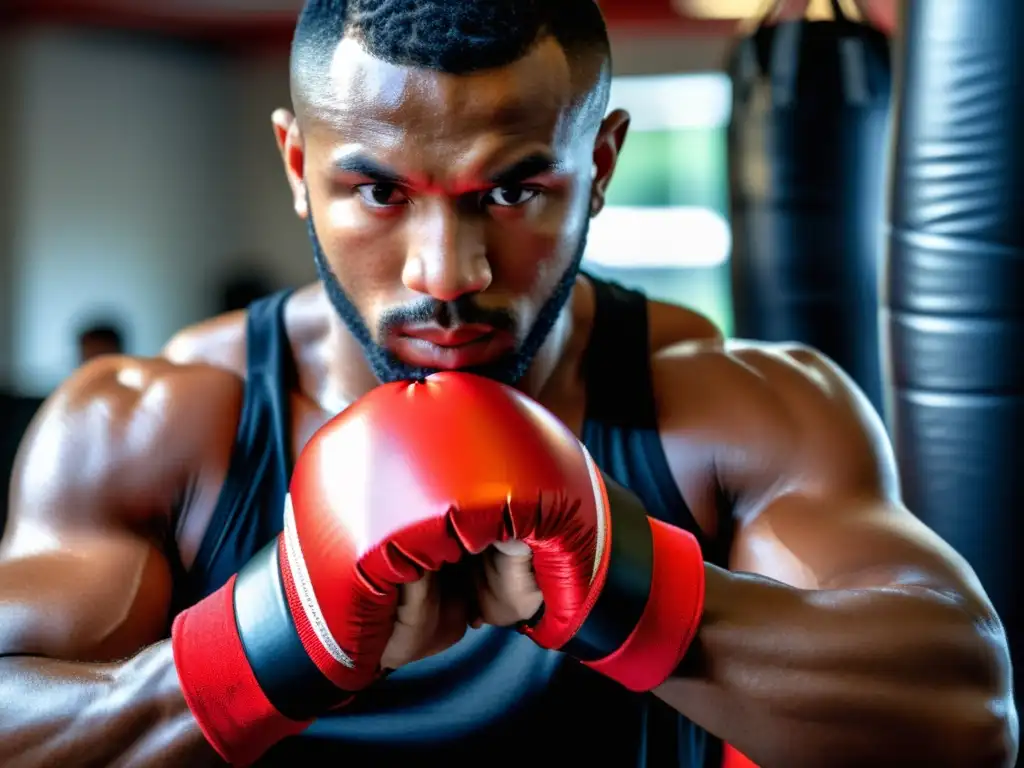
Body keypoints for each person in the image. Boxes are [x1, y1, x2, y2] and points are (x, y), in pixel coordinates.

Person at [0, 1, 1016, 766]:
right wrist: (274, 637)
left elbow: (970, 712)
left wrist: (637, 592)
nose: (447, 274)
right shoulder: (155, 425)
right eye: (379, 192)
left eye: (514, 189)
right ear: (295, 162)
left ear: (604, 163)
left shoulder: (735, 410)